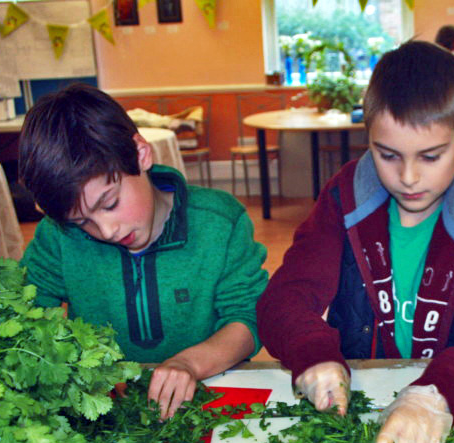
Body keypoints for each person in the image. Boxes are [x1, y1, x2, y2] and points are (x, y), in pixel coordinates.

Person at [257, 41, 454, 443]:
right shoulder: (342, 197)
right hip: (361, 408)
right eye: (388, 155)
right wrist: (313, 354)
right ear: (367, 138)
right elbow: (283, 299)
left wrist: (438, 393)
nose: (408, 178)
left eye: (430, 156)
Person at [18, 84, 268, 419]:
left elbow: (248, 319)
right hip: (107, 413)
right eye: (82, 221)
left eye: (110, 203)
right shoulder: (57, 236)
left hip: (212, 397)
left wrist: (189, 363)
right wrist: (75, 365)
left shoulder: (220, 222)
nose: (106, 231)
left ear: (140, 154)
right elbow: (27, 317)